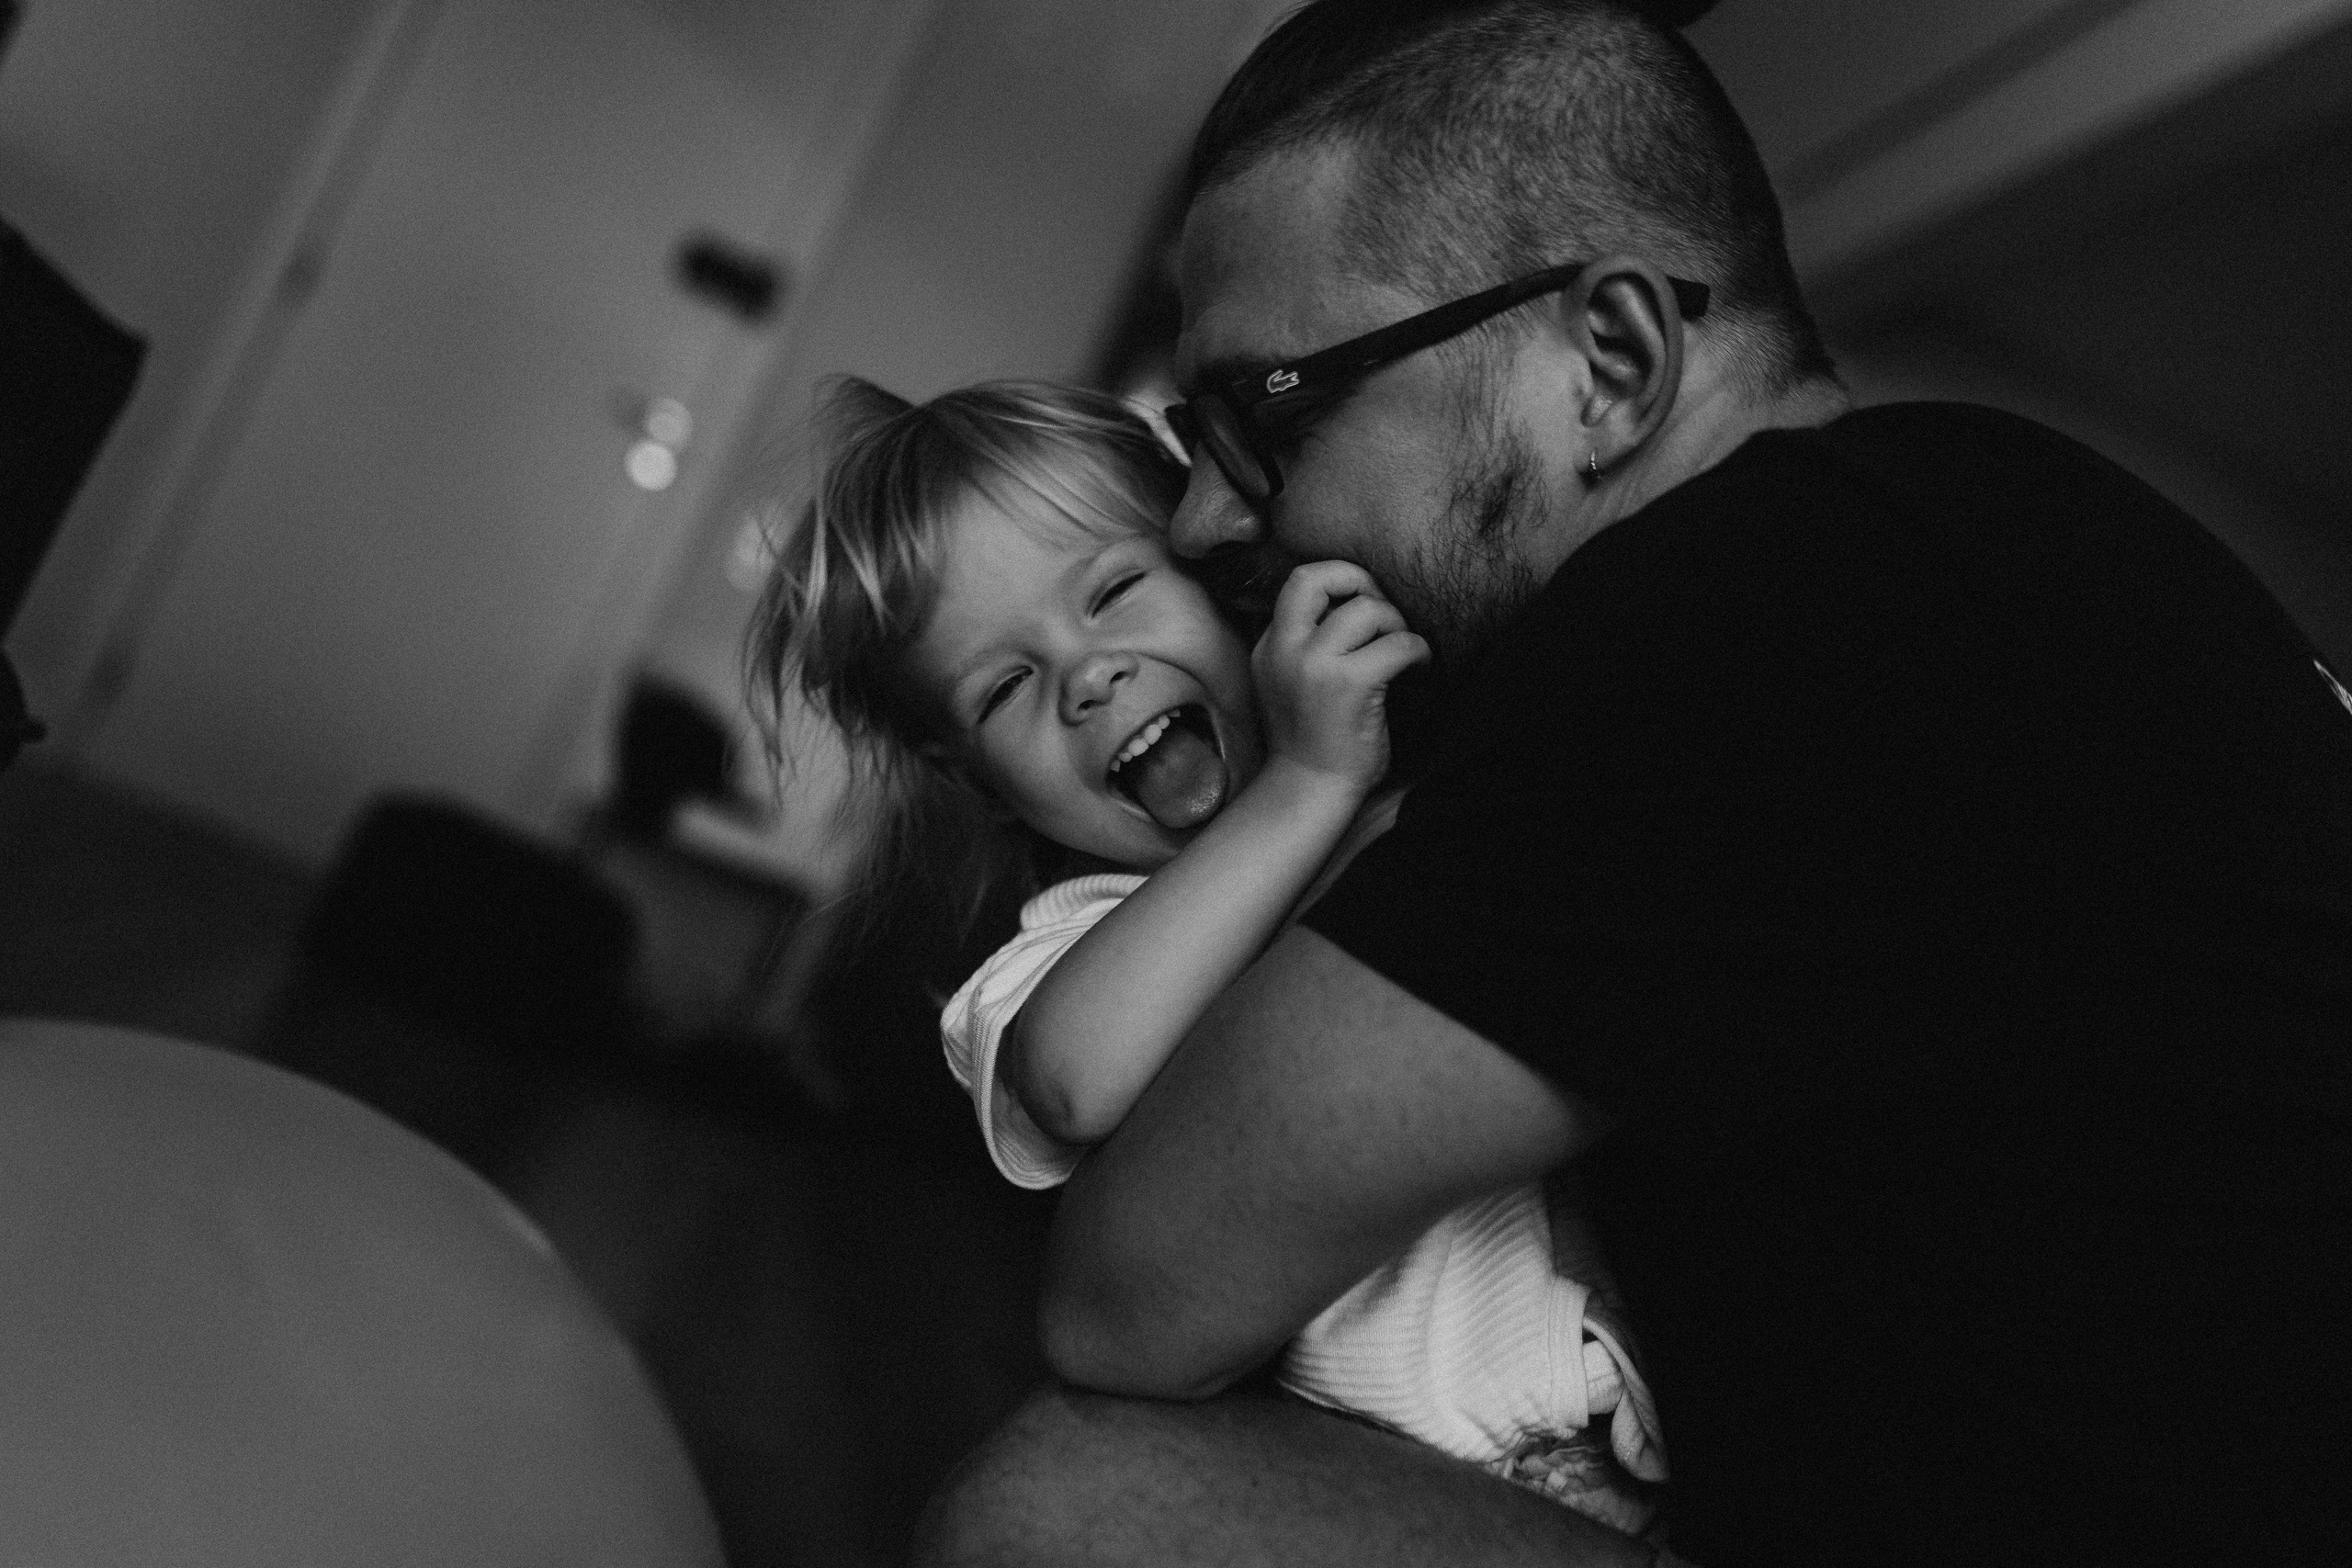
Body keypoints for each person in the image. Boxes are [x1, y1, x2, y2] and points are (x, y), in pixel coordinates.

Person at [915, 2, 2352, 1565]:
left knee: (1066, 1512)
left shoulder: (1744, 606)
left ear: (1608, 360)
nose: (1201, 521)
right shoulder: (1957, 522)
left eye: (1262, 415)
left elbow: (1131, 1292)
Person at [753, 376, 1666, 1533]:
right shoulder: (1064, 954)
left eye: (1117, 590)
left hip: (1629, 1435)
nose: (1089, 678)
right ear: (971, 780)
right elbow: (1080, 1080)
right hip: (1383, 1486)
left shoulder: (1396, 775)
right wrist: (1305, 783)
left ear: (1225, 574)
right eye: (1006, 688)